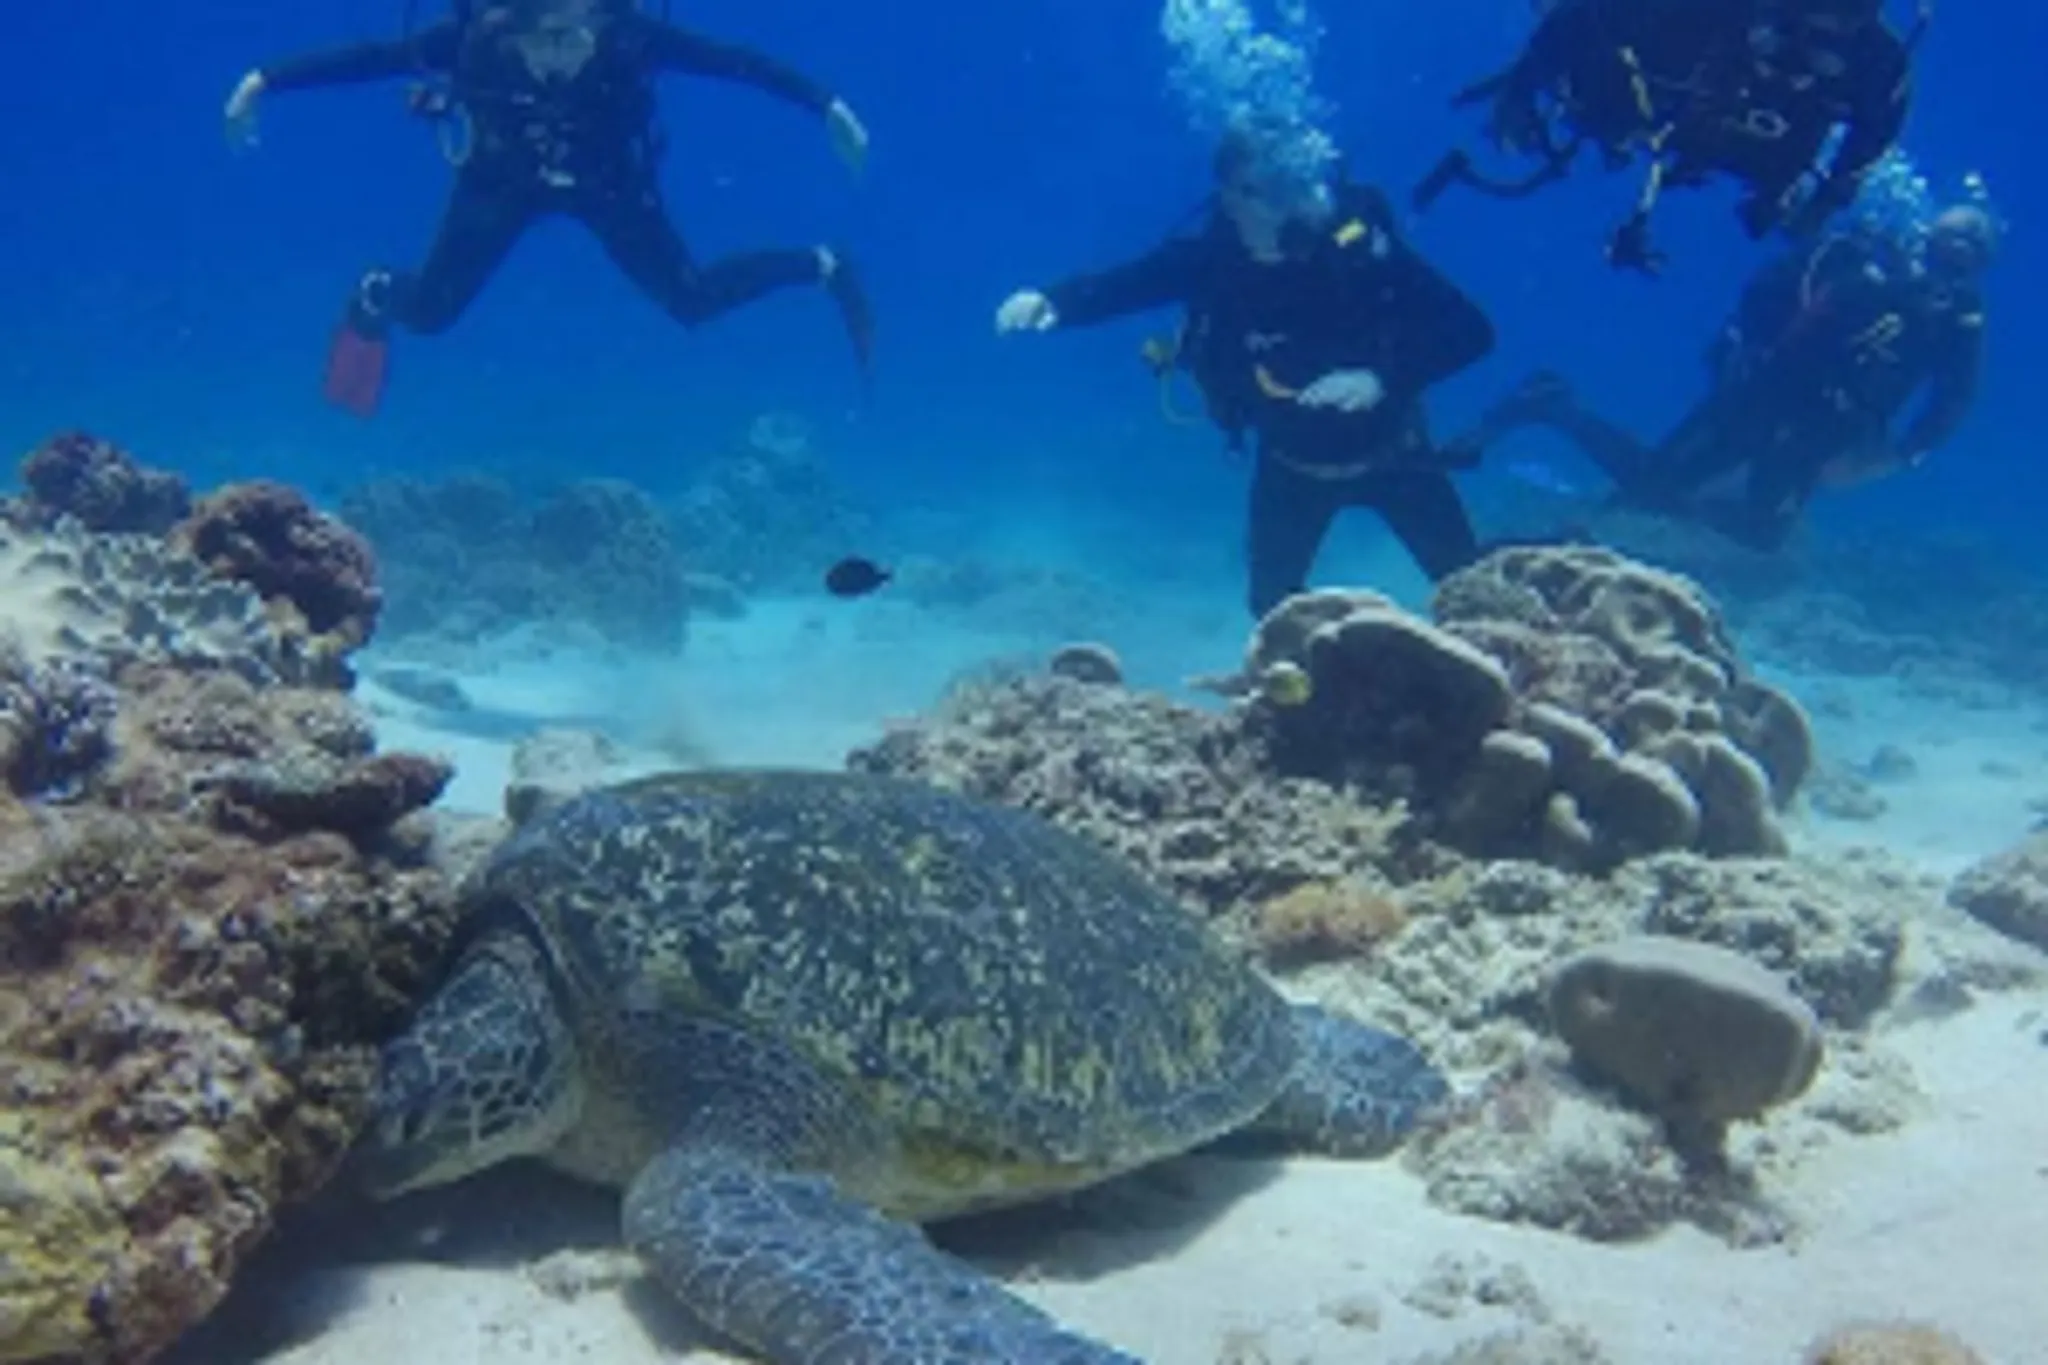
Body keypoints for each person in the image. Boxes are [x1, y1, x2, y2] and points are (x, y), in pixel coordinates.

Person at [224, 0, 875, 417]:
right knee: (428, 312)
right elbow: (371, 60)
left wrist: (827, 105)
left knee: (693, 300)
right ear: (507, 24)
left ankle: (824, 266)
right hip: (499, 184)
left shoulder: (630, 38)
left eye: (577, 33)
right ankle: (372, 296)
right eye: (541, 36)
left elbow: (736, 63)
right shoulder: (473, 40)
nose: (561, 52)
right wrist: (264, 81)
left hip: (610, 184)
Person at [995, 136, 1497, 619]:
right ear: (1231, 197)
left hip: (1396, 453)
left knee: (1470, 590)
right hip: (1291, 467)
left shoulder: (1359, 250)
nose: (1296, 205)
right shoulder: (1213, 261)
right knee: (1274, 612)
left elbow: (1472, 331)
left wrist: (1380, 378)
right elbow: (1126, 284)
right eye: (1273, 190)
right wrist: (1053, 303)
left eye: (1298, 185)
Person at [1461, 203, 1995, 550]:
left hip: (1828, 428)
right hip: (1759, 395)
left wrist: (1902, 455)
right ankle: (1555, 415)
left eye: (1967, 258)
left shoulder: (1959, 320)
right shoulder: (1867, 269)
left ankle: (1635, 520)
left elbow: (1955, 396)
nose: (1949, 265)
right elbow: (1803, 319)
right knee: (1654, 485)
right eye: (1945, 247)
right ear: (1924, 238)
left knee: (1761, 533)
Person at [1414, 0, 1921, 273]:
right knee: (1605, 100)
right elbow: (1586, 17)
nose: (1813, 40)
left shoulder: (1879, 59)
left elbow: (1874, 133)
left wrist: (1825, 201)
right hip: (1658, 112)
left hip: (1750, 148)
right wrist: (1523, 87)